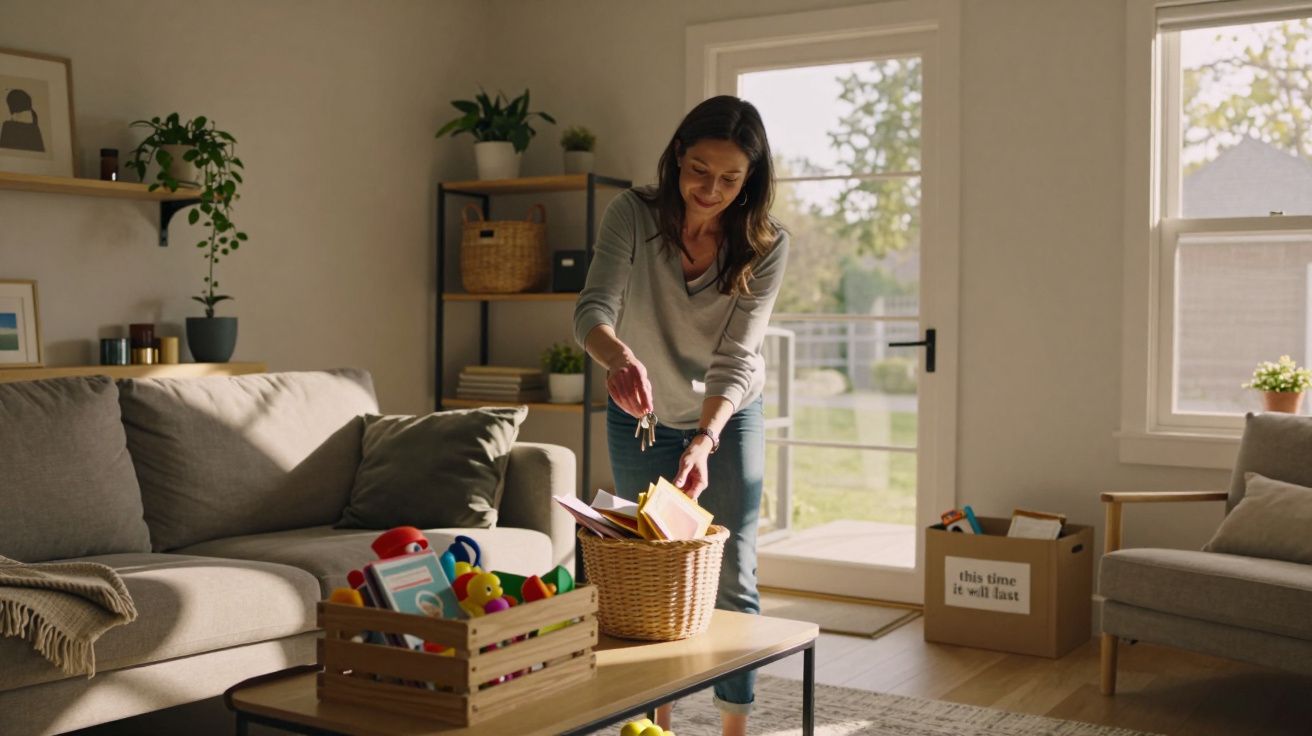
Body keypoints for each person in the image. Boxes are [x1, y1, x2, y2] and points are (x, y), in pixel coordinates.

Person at [573, 95, 788, 736]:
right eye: (699, 170)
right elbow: (592, 309)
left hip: (728, 415)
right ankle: (653, 722)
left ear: (750, 179)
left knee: (732, 572)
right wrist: (616, 360)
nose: (711, 190)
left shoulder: (766, 243)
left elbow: (737, 355)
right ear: (676, 160)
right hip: (639, 409)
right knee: (649, 572)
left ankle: (732, 727)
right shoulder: (632, 214)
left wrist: (705, 437)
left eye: (730, 178)